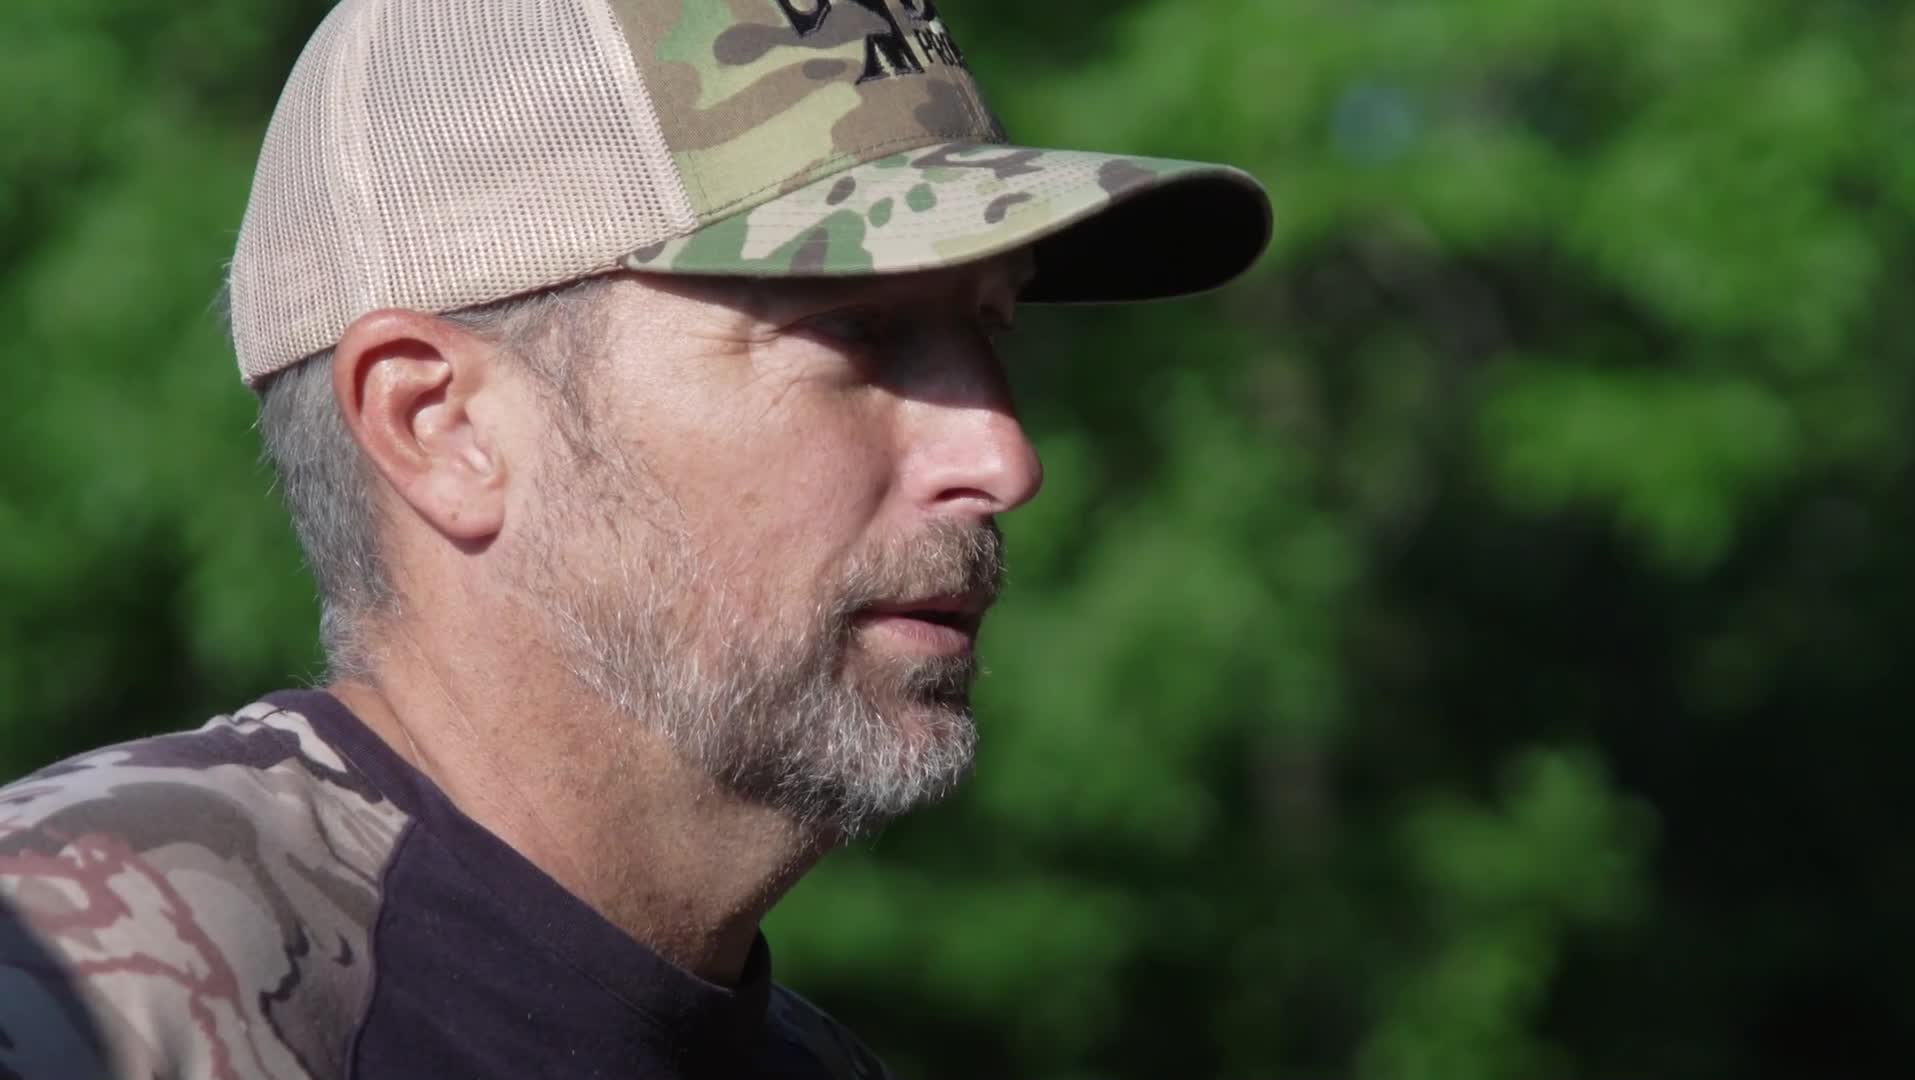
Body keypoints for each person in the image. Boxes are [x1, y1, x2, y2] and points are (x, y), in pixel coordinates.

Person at [0, 0, 1270, 1075]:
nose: (1003, 458)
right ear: (440, 425)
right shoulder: (84, 985)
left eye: (992, 328)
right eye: (856, 333)